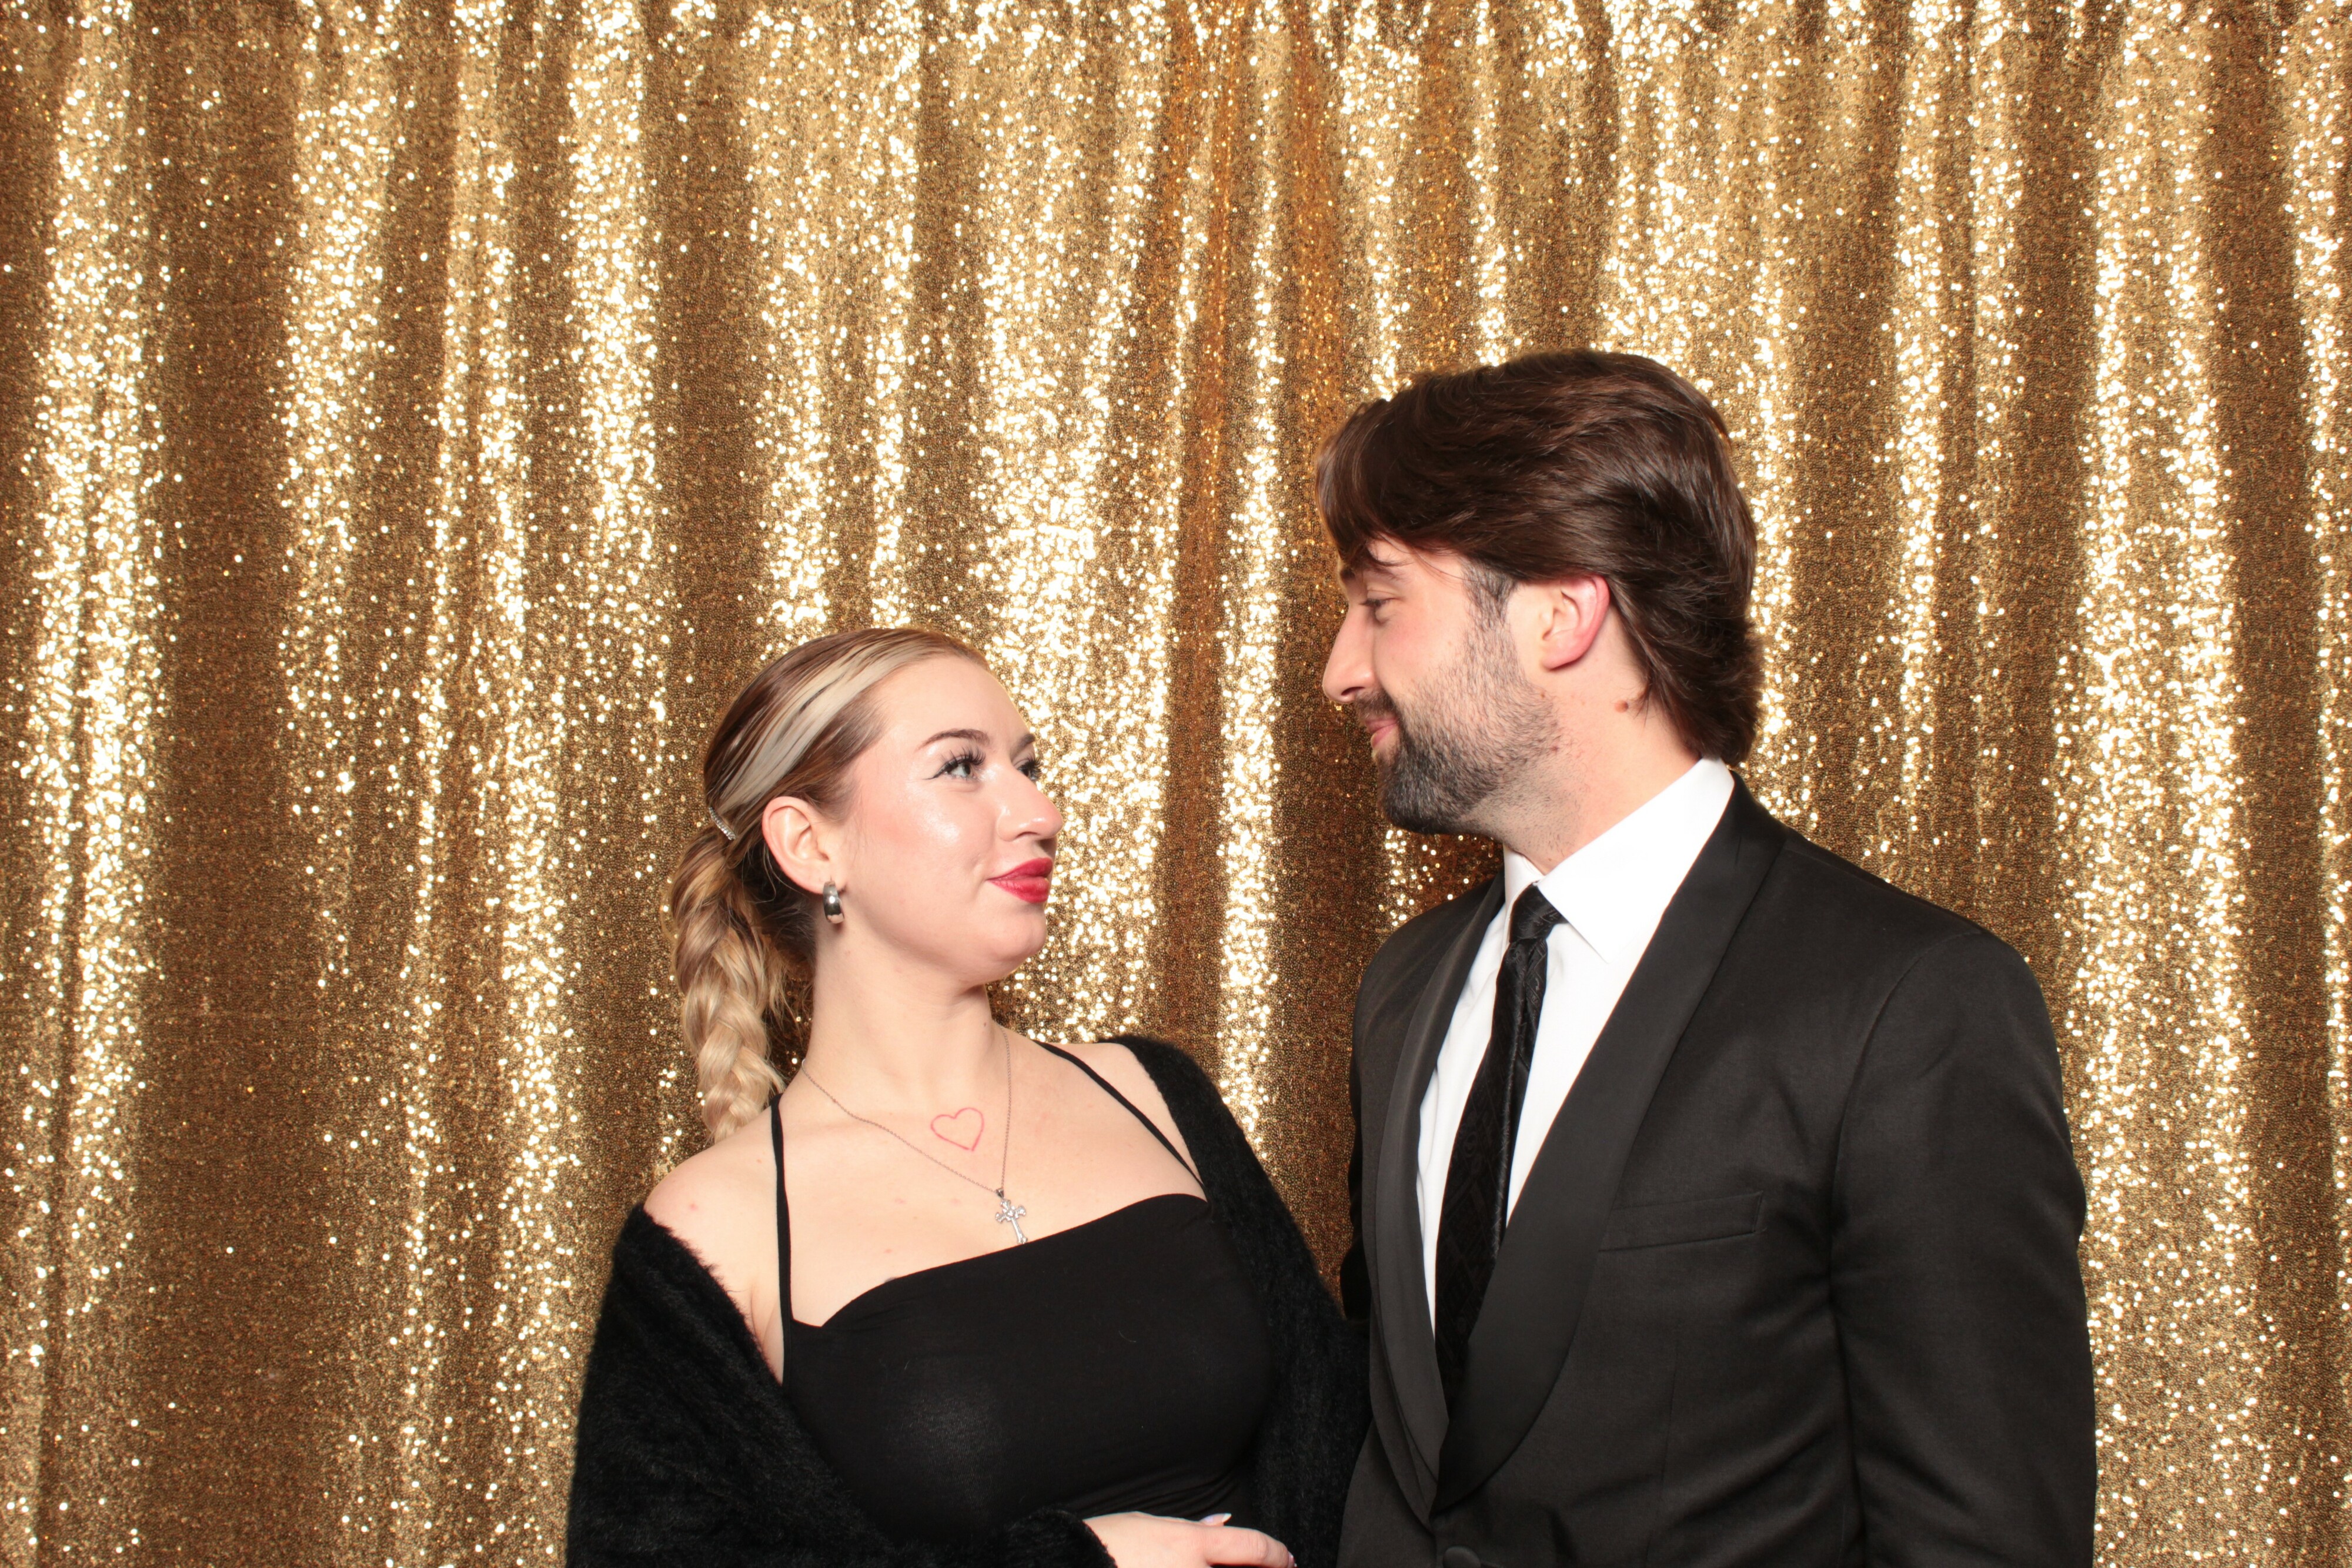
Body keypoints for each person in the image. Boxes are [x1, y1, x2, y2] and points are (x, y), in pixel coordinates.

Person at [1319, 352, 2096, 1567]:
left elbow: (1982, 1537)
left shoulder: (1908, 1007)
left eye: (1379, 602)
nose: (1341, 671)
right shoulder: (1404, 989)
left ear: (1561, 614)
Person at [566, 627, 1365, 1568]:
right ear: (810, 843)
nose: (1040, 812)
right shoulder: (714, 1228)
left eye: (1028, 767)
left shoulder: (1153, 1093)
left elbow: (1337, 1444)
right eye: (961, 768)